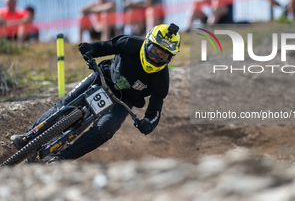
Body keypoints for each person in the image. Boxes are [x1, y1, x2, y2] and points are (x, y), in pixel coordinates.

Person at [11, 23, 181, 162]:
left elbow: (155, 111)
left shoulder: (162, 80)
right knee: (65, 105)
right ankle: (29, 137)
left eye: (162, 56)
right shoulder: (130, 43)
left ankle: (62, 159)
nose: (155, 58)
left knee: (106, 129)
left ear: (169, 59)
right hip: (102, 78)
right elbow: (105, 46)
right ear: (147, 42)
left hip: (123, 101)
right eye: (154, 51)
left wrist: (148, 124)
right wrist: (89, 49)